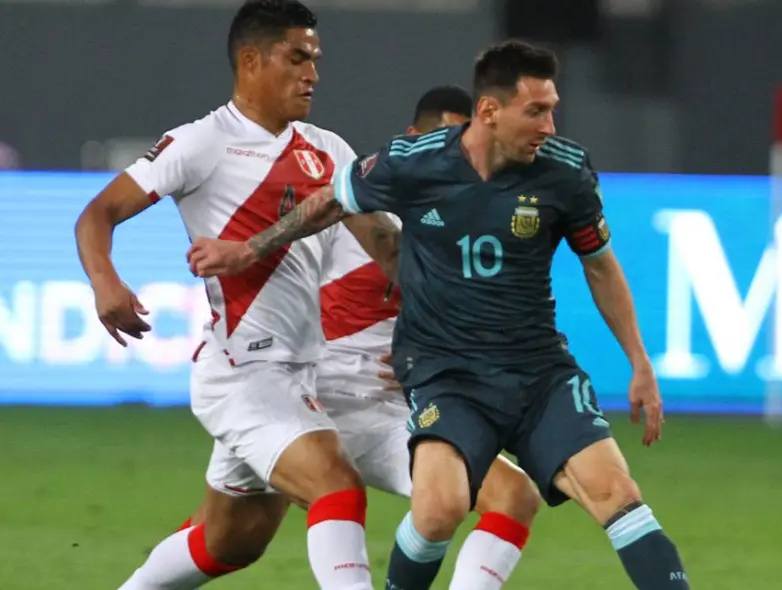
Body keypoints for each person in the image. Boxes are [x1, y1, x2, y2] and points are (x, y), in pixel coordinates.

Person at [188, 40, 691, 589]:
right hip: (448, 378)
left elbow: (601, 266)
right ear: (490, 111)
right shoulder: (416, 163)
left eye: (553, 108)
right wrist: (251, 249)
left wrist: (639, 361)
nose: (550, 126)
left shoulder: (565, 172)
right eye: (536, 111)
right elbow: (330, 201)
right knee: (438, 510)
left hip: (539, 374)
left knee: (618, 494)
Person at [74, 2, 396, 588]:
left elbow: (387, 248)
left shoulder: (328, 149)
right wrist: (106, 281)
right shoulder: (201, 142)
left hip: (303, 374)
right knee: (335, 483)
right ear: (251, 61)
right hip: (243, 374)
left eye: (316, 60)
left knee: (228, 544)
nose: (313, 75)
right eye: (297, 58)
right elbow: (98, 213)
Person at [180, 84, 542, 589]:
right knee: (228, 537)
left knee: (514, 496)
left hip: (394, 412)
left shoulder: (477, 236)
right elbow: (284, 293)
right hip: (313, 400)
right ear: (412, 140)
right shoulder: (351, 210)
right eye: (441, 140)